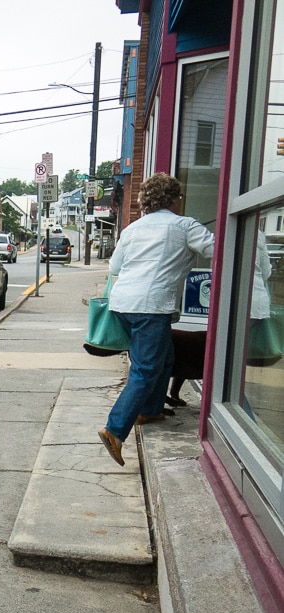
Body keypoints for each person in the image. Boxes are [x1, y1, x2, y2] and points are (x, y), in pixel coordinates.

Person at [98, 173, 215, 466]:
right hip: (151, 306)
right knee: (146, 368)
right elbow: (218, 250)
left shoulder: (133, 228)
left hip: (123, 303)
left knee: (164, 358)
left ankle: (150, 410)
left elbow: (115, 266)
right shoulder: (185, 225)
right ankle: (114, 430)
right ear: (175, 199)